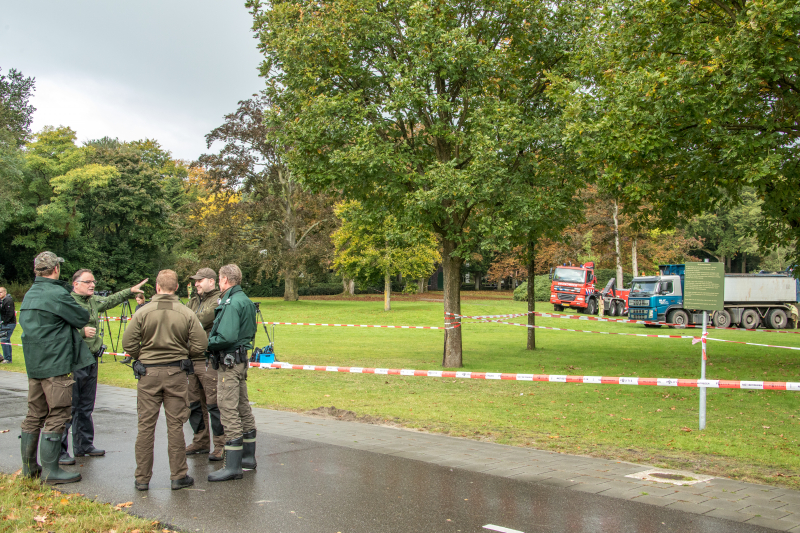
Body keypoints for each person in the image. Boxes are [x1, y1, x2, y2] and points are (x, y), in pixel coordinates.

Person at [122, 269, 207, 491]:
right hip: (175, 373)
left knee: (145, 426)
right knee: (175, 425)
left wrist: (142, 356)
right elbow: (201, 344)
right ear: (176, 287)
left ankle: (142, 478)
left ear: (157, 287)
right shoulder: (186, 313)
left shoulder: (143, 312)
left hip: (148, 374)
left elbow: (128, 343)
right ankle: (178, 475)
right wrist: (185, 353)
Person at [18, 252, 93, 485]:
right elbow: (81, 317)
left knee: (34, 414)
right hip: (55, 363)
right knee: (59, 412)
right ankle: (51, 470)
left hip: (34, 363)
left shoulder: (30, 293)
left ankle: (29, 468)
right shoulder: (56, 293)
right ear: (56, 269)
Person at [60, 269, 148, 465]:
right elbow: (59, 329)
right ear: (76, 284)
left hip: (91, 359)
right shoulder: (67, 302)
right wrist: (81, 332)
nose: (92, 285)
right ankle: (59, 451)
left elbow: (109, 301)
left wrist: (129, 291)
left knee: (86, 405)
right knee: (69, 406)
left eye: (94, 281)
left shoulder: (92, 301)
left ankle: (84, 445)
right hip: (74, 360)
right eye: (88, 282)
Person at [206, 264, 257, 482]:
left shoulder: (231, 302)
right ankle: (247, 458)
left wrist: (208, 343)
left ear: (225, 279)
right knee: (242, 406)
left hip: (229, 362)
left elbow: (225, 336)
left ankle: (233, 466)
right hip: (240, 360)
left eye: (219, 279)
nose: (219, 283)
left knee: (228, 408)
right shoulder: (244, 300)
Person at [184, 268, 224, 460]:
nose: (196, 284)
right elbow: (184, 320)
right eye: (195, 281)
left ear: (211, 281)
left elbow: (201, 319)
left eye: (200, 280)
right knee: (193, 404)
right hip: (191, 359)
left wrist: (187, 320)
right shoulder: (193, 301)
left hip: (208, 359)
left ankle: (221, 444)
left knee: (213, 404)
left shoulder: (218, 299)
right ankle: (200, 441)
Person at [0, 286, 16, 364]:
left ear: (5, 292)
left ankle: (7, 359)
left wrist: (4, 322)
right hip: (4, 323)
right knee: (6, 340)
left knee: (4, 339)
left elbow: (10, 313)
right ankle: (7, 358)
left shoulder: (8, 300)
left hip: (9, 323)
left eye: (0, 292)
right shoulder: (2, 301)